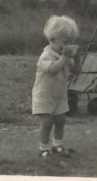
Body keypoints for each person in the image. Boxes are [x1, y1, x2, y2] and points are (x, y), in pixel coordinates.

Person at [32, 15, 81, 160]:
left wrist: (77, 60)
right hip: (44, 95)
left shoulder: (63, 55)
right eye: (65, 42)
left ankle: (57, 145)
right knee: (47, 122)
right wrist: (65, 57)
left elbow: (77, 71)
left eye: (70, 42)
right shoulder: (45, 56)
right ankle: (43, 149)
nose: (67, 45)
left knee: (60, 120)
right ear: (52, 39)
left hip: (60, 95)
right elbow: (53, 70)